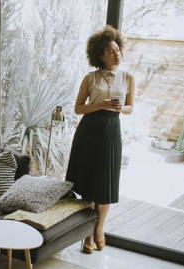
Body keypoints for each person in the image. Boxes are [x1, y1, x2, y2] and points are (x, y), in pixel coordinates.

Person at [65, 25, 135, 254]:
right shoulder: (90, 78)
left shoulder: (128, 77)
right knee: (88, 185)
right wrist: (100, 105)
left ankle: (99, 229)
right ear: (100, 55)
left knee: (105, 185)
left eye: (118, 50)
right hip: (89, 132)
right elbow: (77, 108)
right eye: (111, 51)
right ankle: (87, 236)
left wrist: (119, 108)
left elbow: (130, 108)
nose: (117, 54)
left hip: (111, 132)